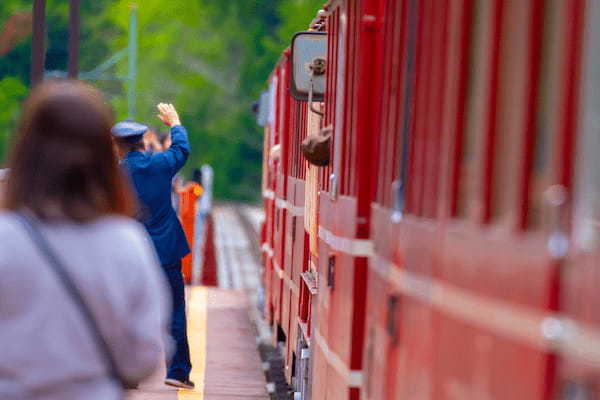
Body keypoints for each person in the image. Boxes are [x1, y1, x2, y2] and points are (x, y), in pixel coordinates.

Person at [0, 79, 169, 400]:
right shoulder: (125, 242)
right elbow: (144, 358)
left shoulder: (5, 239)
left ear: (25, 150)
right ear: (103, 156)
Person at [112, 103, 194, 390]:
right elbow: (181, 150)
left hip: (128, 256)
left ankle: (126, 373)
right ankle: (178, 372)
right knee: (174, 311)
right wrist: (175, 122)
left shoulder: (112, 176)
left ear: (118, 147)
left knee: (125, 312)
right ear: (140, 142)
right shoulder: (160, 165)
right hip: (165, 251)